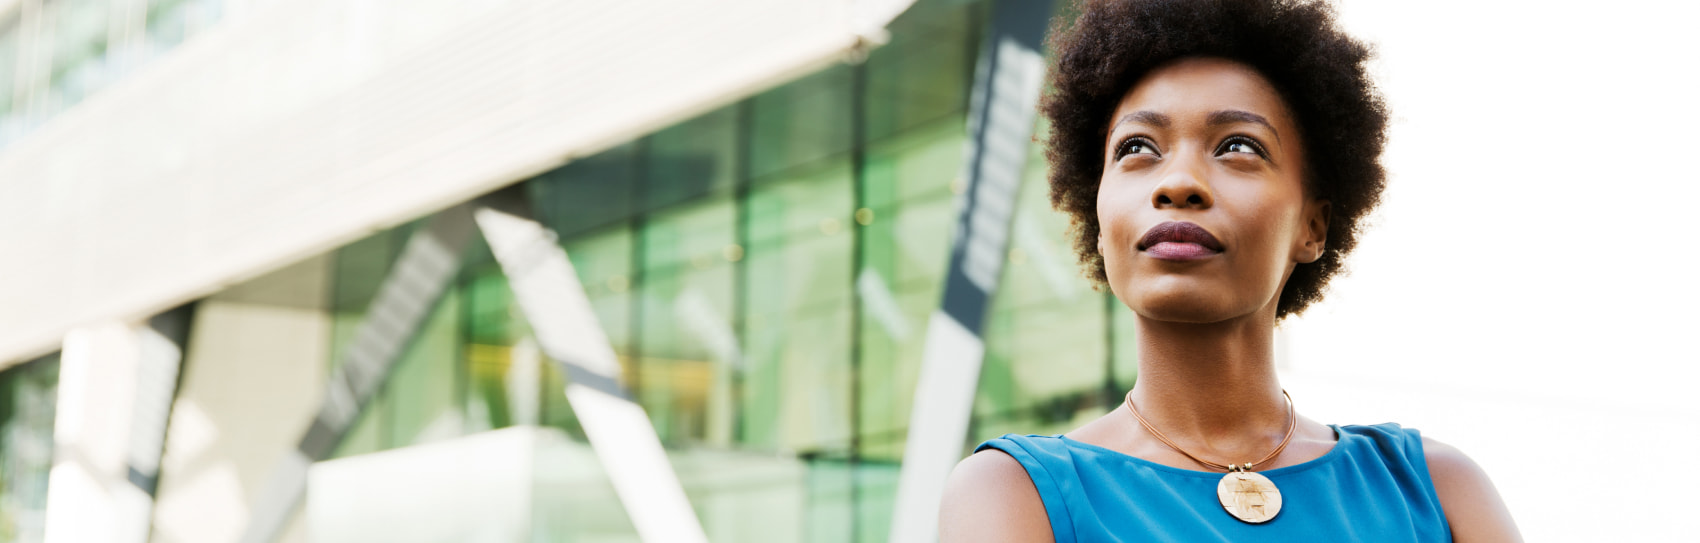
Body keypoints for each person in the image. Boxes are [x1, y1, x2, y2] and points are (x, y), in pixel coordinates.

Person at [938, 0, 1522, 541]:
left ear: (1312, 227)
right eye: (1137, 148)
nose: (1178, 183)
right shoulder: (1014, 491)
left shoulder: (1437, 491)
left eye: (1238, 146)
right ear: (1097, 214)